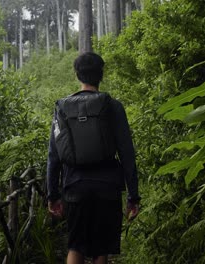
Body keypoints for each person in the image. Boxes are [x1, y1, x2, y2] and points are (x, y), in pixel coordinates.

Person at [46, 52, 140, 264]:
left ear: (77, 75)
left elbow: (54, 155)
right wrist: (133, 196)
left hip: (74, 186)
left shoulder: (62, 108)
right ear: (101, 75)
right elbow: (127, 152)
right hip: (108, 187)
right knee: (101, 249)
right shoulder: (113, 106)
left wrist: (52, 195)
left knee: (75, 245)